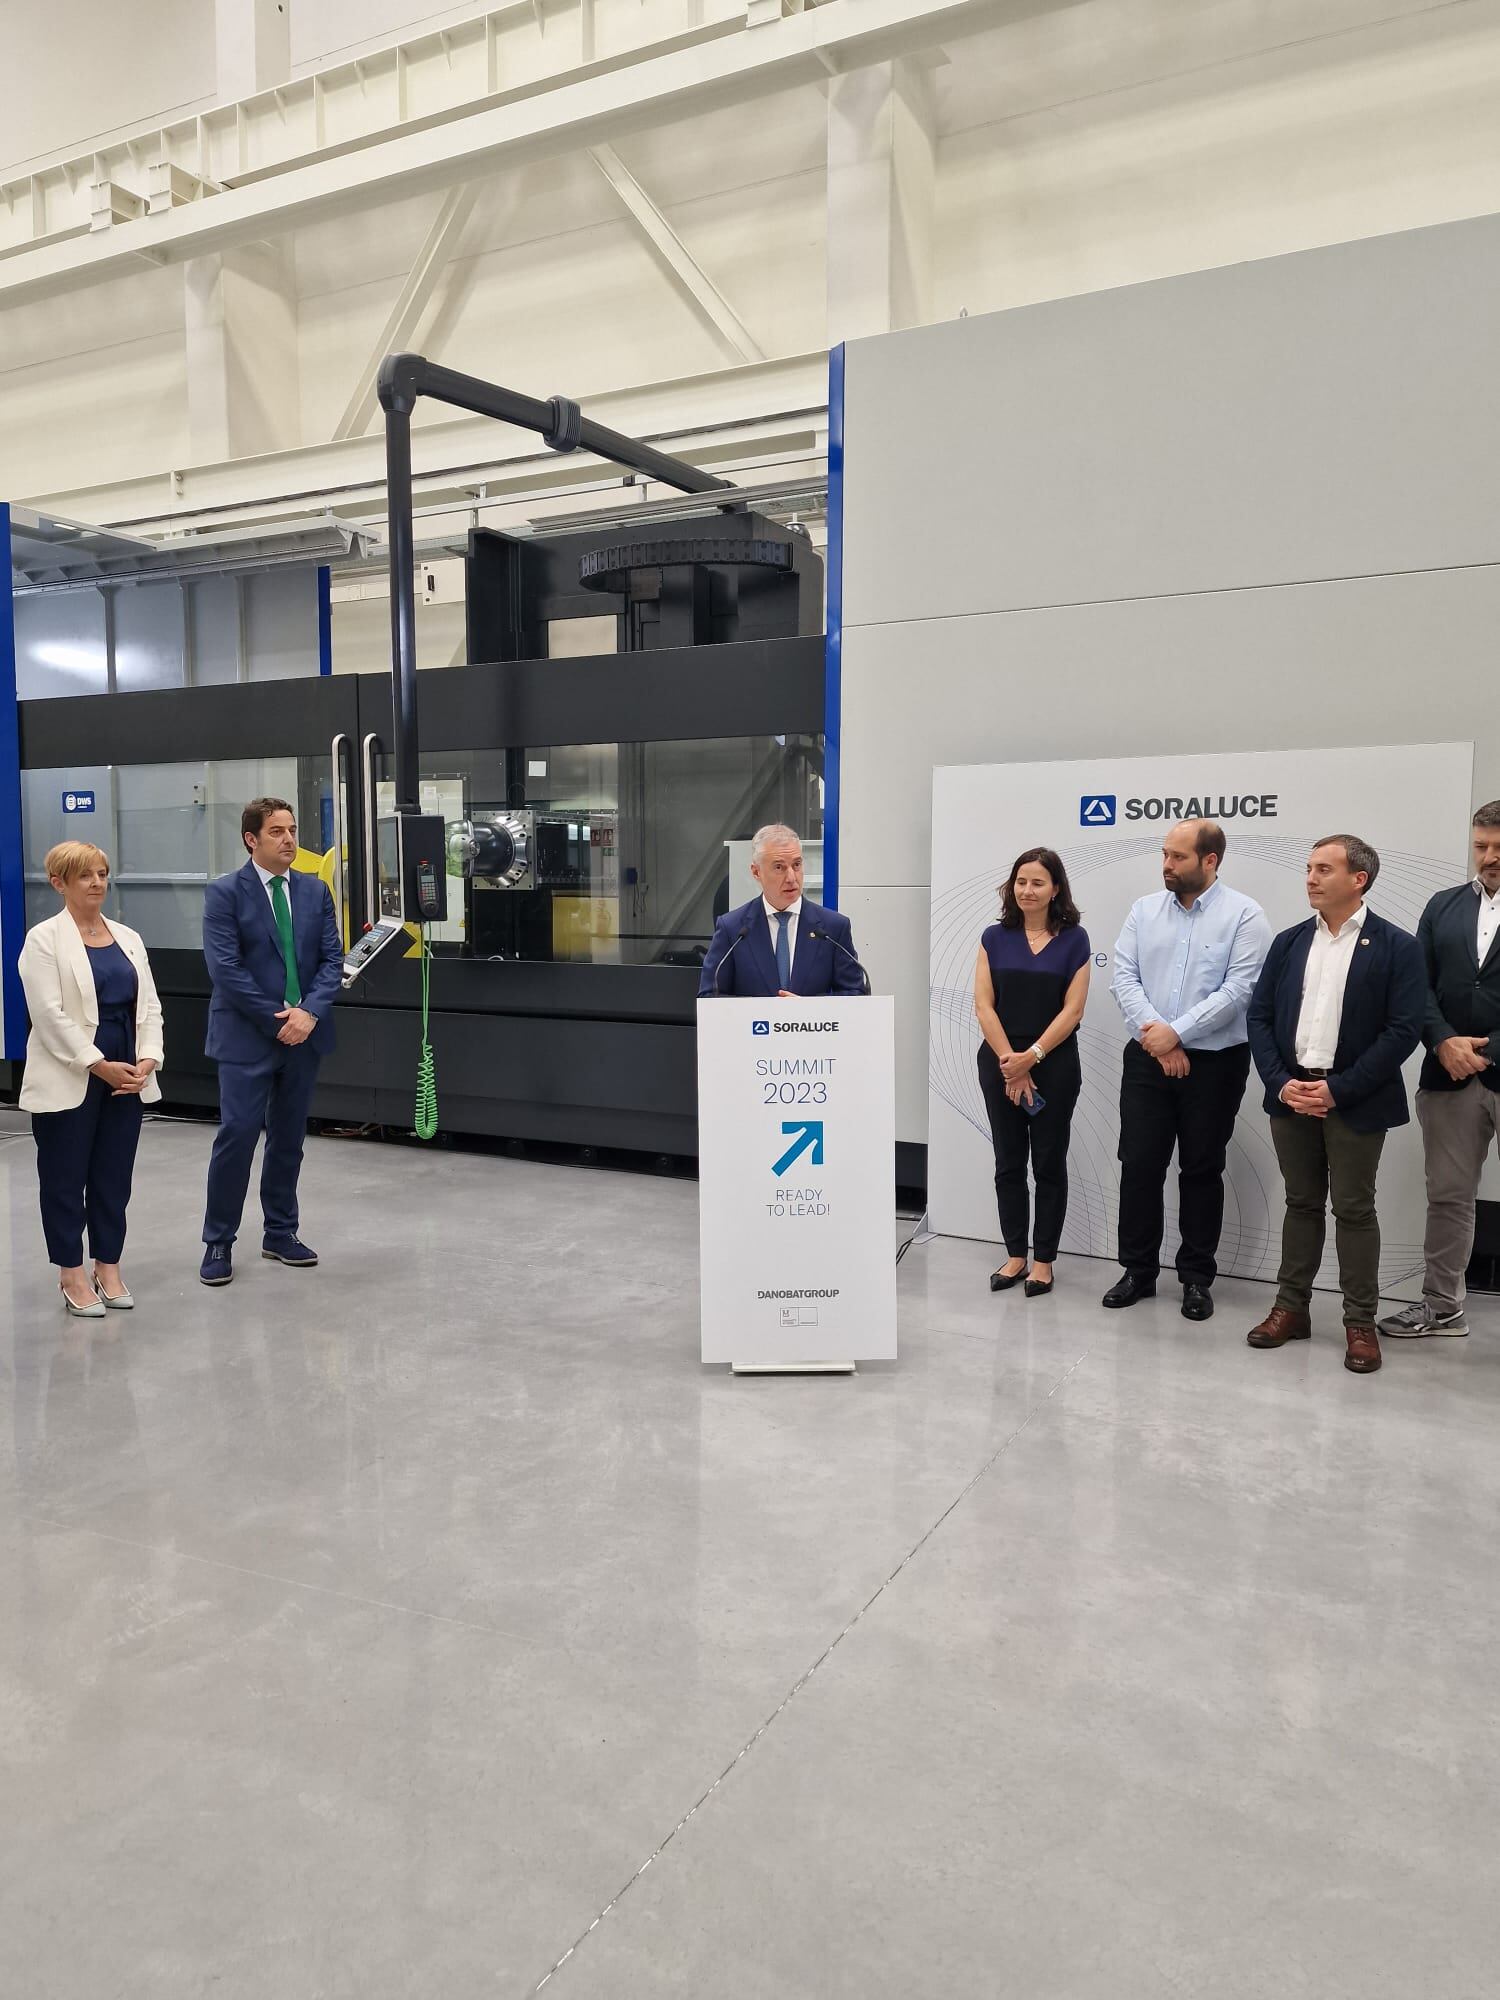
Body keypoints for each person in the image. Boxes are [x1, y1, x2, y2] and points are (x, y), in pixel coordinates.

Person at [1245, 834, 1424, 1375]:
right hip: (1293, 1095)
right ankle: (1291, 1309)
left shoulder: (1397, 946)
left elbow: (1403, 1030)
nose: (1311, 877)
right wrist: (1281, 1083)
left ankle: (1360, 1323)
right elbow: (1258, 1017)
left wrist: (1338, 1089)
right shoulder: (1289, 942)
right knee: (1300, 1203)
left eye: (1324, 869)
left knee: (1353, 1208)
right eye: (1308, 867)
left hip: (1354, 1099)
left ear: (1358, 879)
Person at [1104, 820, 1271, 1320]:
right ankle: (1137, 1271)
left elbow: (1239, 990)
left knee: (1201, 1167)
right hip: (1148, 1056)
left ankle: (1196, 1279)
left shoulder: (1245, 916)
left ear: (1210, 860)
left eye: (1178, 857)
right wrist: (1161, 1036)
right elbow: (1123, 976)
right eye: (1164, 855)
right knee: (1139, 1165)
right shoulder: (1143, 910)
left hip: (1216, 1063)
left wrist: (1177, 1033)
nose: (1166, 865)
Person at [199, 796, 343, 1286]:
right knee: (237, 1135)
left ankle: (280, 1232)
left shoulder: (314, 891)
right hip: (247, 1036)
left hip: (303, 1035)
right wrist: (279, 1018)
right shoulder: (225, 894)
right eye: (277, 831)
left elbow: (332, 961)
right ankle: (219, 1240)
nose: (289, 839)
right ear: (251, 840)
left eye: (292, 829)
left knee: (288, 1139)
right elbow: (226, 971)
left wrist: (308, 1014)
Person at [17, 841, 164, 1317]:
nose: (98, 883)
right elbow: (49, 1015)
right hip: (73, 1071)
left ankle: (109, 1266)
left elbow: (149, 1006)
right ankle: (71, 1273)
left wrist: (148, 1058)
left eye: (102, 874)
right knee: (64, 1177)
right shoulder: (43, 940)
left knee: (113, 1176)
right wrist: (97, 1063)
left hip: (127, 1071)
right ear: (59, 883)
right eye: (86, 876)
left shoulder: (128, 937)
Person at [1379, 799, 1500, 1340]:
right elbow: (1416, 986)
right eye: (1481, 846)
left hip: (1488, 1062)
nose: (1489, 857)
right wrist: (1444, 1040)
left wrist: (1489, 1048)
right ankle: (1442, 1306)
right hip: (1448, 1075)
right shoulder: (1442, 905)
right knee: (1449, 1196)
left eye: (1499, 847)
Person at [973, 848, 1091, 1299]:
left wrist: (1032, 1057)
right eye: (1021, 881)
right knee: (1008, 1163)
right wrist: (1011, 1063)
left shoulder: (1075, 939)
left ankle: (1043, 1261)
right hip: (1000, 1064)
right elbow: (984, 1005)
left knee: (1048, 1164)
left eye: (1038, 882)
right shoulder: (993, 937)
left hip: (1054, 1066)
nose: (1027, 890)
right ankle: (1015, 1256)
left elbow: (1073, 1009)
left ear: (1055, 888)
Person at [698, 825, 867, 998]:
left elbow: (855, 994)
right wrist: (767, 1014)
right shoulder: (732, 929)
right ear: (756, 872)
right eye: (779, 867)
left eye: (797, 865)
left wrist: (808, 1009)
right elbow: (709, 996)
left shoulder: (833, 928)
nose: (792, 878)